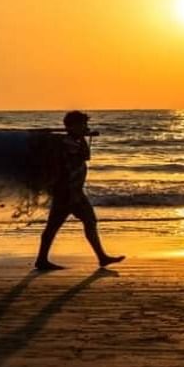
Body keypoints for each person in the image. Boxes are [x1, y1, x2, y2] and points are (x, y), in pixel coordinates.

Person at [36, 110, 124, 271]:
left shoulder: (73, 140)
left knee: (89, 222)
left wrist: (82, 135)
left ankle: (101, 257)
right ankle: (41, 259)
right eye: (83, 124)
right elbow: (83, 154)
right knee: (54, 226)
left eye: (85, 124)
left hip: (75, 191)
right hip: (66, 192)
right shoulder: (67, 142)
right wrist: (83, 137)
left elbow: (85, 156)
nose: (86, 127)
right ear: (72, 126)